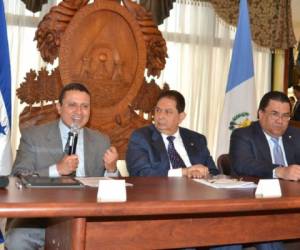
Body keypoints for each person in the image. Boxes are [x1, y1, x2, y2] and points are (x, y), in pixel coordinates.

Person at [6, 83, 119, 250]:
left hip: (88, 217)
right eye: (72, 105)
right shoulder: (34, 136)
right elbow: (18, 178)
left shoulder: (101, 140)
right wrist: (57, 170)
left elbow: (114, 192)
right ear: (59, 107)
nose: (79, 112)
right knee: (17, 241)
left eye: (84, 106)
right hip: (41, 217)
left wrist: (112, 169)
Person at [126, 90, 219, 179]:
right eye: (158, 110)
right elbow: (139, 173)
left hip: (196, 192)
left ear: (181, 117)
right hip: (160, 193)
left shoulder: (197, 139)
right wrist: (184, 172)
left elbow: (213, 172)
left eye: (168, 112)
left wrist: (200, 174)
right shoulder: (142, 137)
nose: (160, 116)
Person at [230, 91, 300, 181]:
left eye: (285, 116)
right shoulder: (243, 135)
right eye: (274, 114)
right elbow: (243, 164)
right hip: (259, 192)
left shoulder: (296, 135)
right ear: (261, 114)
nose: (280, 121)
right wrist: (279, 171)